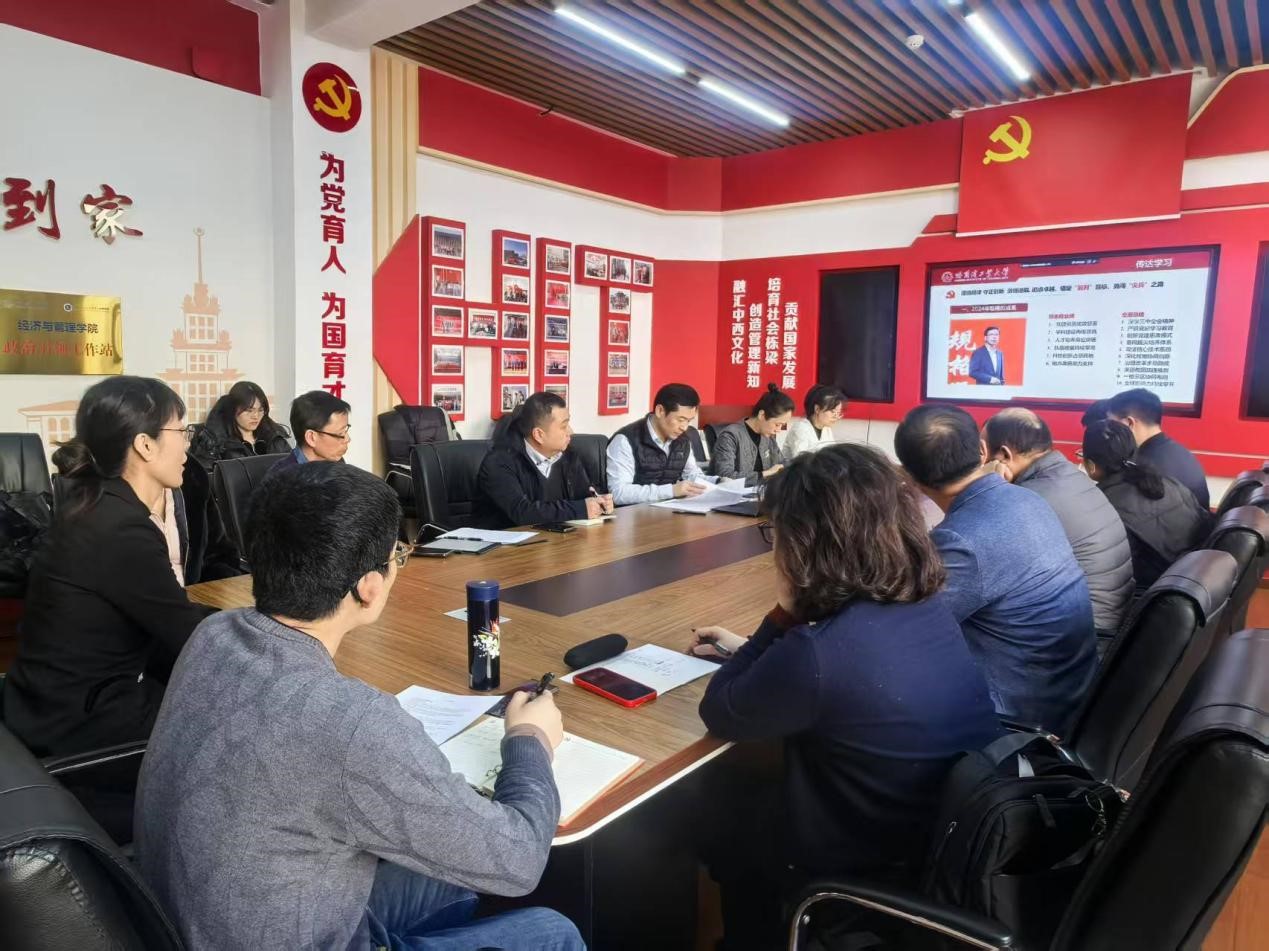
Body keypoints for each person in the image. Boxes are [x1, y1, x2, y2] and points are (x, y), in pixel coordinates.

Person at [135, 464, 583, 950]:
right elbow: (519, 862)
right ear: (368, 586)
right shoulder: (350, 724)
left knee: (455, 874)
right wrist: (529, 739)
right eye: (397, 557)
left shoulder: (214, 633)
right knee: (553, 931)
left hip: (200, 920)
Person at [689, 445, 1001, 949]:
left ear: (805, 542)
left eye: (776, 532)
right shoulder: (921, 604)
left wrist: (781, 615)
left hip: (864, 870)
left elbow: (721, 709)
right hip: (935, 839)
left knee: (723, 814)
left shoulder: (818, 653)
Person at [1, 377, 217, 836]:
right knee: (241, 725)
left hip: (42, 705)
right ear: (144, 445)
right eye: (181, 431)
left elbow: (164, 618)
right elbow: (188, 636)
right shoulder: (121, 528)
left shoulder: (92, 505)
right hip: (81, 726)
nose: (187, 446)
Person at [894, 405, 1096, 734]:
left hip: (1020, 718)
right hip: (1072, 691)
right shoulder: (1028, 499)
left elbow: (905, 631)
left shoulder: (960, 541)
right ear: (982, 450)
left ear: (910, 477)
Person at [984, 408, 1133, 639]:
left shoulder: (1028, 497)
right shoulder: (1071, 476)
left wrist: (986, 488)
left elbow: (979, 564)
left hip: (1084, 634)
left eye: (982, 452)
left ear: (1003, 455)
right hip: (1110, 618)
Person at [1081, 420, 1214, 593]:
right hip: (1195, 578)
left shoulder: (1103, 507)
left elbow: (1105, 573)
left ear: (1090, 466)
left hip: (1154, 591)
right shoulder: (1166, 481)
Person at [477, 390, 613, 527]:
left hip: (559, 537)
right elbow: (522, 513)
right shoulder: (499, 463)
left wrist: (599, 503)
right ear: (539, 435)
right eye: (564, 426)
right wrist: (580, 509)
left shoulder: (568, 455)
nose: (571, 432)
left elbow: (584, 496)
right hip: (511, 539)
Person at [606, 382, 715, 505]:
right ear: (660, 411)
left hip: (668, 510)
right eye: (681, 420)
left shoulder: (682, 440)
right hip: (633, 513)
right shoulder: (625, 441)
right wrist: (671, 491)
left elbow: (692, 475)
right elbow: (619, 493)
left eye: (688, 421)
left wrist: (718, 481)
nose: (684, 427)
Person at [1106, 388, 1209, 509]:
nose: (1108, 430)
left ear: (1129, 423)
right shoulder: (1179, 452)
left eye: (1111, 424)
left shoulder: (1143, 466)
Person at [190, 380, 292, 467]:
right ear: (233, 409)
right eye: (249, 410)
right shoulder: (214, 441)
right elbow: (207, 478)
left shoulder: (274, 437)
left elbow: (293, 470)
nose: (255, 416)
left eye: (260, 410)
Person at [711, 383, 793, 484]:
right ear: (762, 415)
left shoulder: (768, 437)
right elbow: (724, 475)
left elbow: (781, 462)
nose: (778, 430)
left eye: (782, 425)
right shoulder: (730, 436)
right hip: (734, 493)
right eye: (777, 424)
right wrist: (765, 474)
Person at [267, 389, 351, 476]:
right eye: (340, 434)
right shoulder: (282, 478)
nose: (347, 439)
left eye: (345, 430)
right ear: (311, 438)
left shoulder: (337, 464)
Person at [782, 383, 845, 461]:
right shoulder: (801, 428)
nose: (836, 416)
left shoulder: (826, 429)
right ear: (817, 409)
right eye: (833, 411)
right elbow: (802, 462)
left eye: (838, 412)